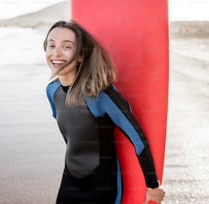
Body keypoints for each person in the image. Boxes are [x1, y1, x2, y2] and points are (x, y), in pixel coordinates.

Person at [44, 20, 165, 204]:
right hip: (70, 180)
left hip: (102, 187)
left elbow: (138, 139)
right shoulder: (52, 91)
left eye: (66, 46)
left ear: (80, 56)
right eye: (51, 45)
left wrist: (153, 186)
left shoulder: (100, 95)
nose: (56, 52)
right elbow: (72, 138)